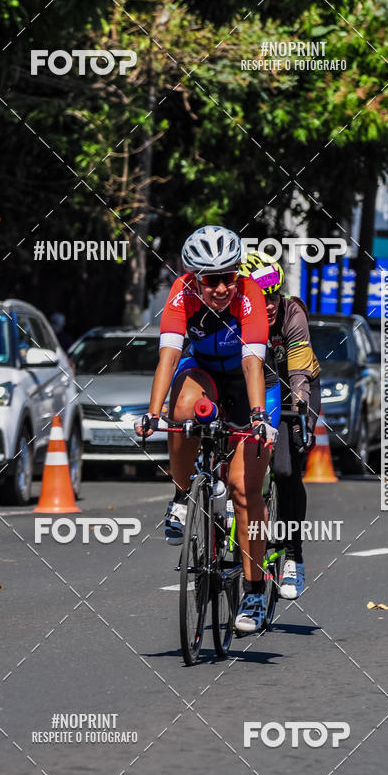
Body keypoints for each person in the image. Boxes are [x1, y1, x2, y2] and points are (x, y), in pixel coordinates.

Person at [136, 225, 280, 634]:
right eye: (210, 279)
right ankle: (182, 496)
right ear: (194, 278)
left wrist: (257, 417)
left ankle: (253, 589)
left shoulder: (249, 293)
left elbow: (253, 362)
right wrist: (151, 413)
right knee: (180, 410)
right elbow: (169, 355)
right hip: (202, 373)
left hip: (249, 382)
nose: (220, 288)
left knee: (243, 489)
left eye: (227, 277)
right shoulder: (181, 292)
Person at [238, 252, 321, 600]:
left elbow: (299, 369)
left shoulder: (293, 313)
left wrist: (300, 410)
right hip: (255, 392)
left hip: (294, 391)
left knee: (286, 471)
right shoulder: (237, 316)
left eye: (273, 295)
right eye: (261, 296)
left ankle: (293, 557)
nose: (269, 304)